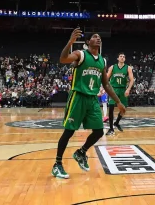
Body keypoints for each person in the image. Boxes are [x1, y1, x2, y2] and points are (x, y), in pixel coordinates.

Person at [52, 29, 126, 179]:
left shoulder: (102, 61)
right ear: (88, 42)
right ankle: (57, 164)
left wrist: (118, 102)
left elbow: (106, 84)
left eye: (99, 37)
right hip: (78, 97)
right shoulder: (81, 55)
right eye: (94, 37)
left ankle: (81, 152)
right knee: (69, 132)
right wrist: (70, 42)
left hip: (92, 99)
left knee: (99, 131)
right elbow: (63, 59)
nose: (98, 38)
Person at [106, 52, 135, 135]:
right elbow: (106, 78)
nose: (122, 57)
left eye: (123, 56)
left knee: (123, 109)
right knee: (111, 108)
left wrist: (128, 89)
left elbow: (132, 80)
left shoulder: (128, 68)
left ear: (125, 59)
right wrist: (105, 88)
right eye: (121, 56)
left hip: (123, 90)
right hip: (113, 89)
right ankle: (111, 129)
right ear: (118, 58)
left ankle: (117, 122)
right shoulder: (112, 67)